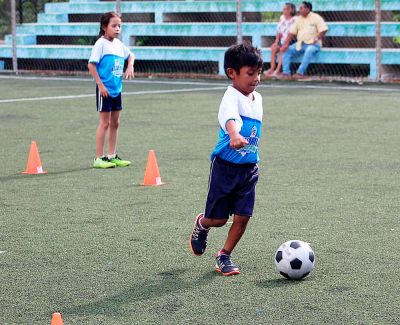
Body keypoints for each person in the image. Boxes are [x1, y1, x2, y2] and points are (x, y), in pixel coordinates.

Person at [189, 43, 263, 276]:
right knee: (218, 220)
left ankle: (224, 255)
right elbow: (230, 119)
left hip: (249, 168)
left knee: (243, 217)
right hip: (225, 167)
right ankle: (203, 223)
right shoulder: (230, 97)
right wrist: (234, 134)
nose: (256, 79)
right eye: (250, 73)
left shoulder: (257, 98)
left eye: (259, 73)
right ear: (232, 73)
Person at [88, 12, 135, 169]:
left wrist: (130, 65)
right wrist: (100, 85)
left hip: (117, 90)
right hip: (105, 91)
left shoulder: (118, 45)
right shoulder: (100, 44)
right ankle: (99, 158)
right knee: (105, 123)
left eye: (119, 26)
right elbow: (91, 65)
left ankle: (112, 155)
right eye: (114, 26)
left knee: (115, 123)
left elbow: (131, 55)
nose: (117, 29)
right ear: (104, 27)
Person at [280, 1, 328, 79]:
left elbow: (324, 29)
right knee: (286, 50)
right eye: (300, 8)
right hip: (300, 44)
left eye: (301, 8)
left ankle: (300, 73)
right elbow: (291, 33)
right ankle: (286, 73)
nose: (300, 10)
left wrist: (316, 38)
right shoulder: (299, 19)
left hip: (314, 44)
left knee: (309, 50)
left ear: (307, 9)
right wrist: (286, 44)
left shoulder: (316, 17)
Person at [264, 3, 297, 77]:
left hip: (291, 41)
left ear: (291, 10)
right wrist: (276, 41)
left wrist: (286, 43)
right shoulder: (282, 17)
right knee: (274, 48)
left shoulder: (295, 19)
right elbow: (279, 31)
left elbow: (293, 33)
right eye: (284, 9)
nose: (284, 10)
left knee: (282, 50)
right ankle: (272, 68)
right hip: (281, 40)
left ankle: (278, 70)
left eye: (286, 9)